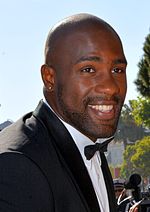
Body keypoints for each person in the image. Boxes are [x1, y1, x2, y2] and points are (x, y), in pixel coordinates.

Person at [0, 13, 127, 212]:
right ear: (49, 78)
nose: (111, 87)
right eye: (88, 69)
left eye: (118, 70)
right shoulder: (15, 165)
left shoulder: (90, 144)